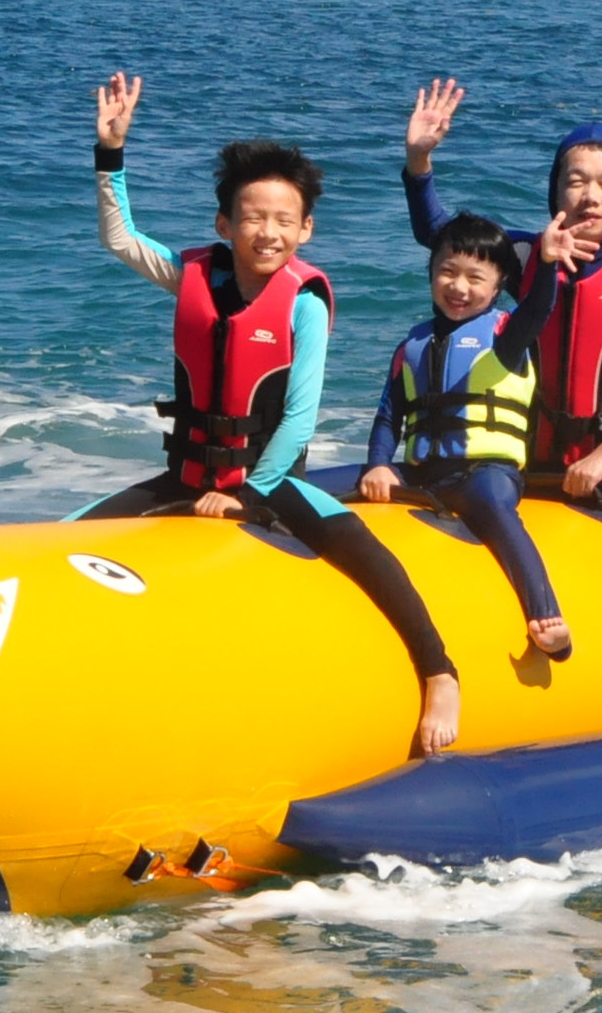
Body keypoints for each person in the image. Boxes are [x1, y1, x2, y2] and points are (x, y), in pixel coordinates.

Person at [86, 73, 460, 756]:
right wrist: (110, 154)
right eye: (253, 217)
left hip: (271, 481)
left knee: (365, 553)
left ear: (305, 228)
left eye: (285, 220)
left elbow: (299, 416)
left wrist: (248, 498)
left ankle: (440, 672)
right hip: (191, 476)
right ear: (224, 224)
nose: (268, 231)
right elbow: (122, 240)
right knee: (76, 536)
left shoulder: (303, 304)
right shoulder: (196, 274)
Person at [404, 79, 602, 722]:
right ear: (555, 189)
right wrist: (420, 163)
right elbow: (442, 235)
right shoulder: (529, 253)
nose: (590, 194)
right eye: (576, 180)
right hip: (536, 457)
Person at [358, 208, 584, 659]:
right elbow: (389, 416)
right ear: (431, 273)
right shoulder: (412, 346)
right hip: (424, 473)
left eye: (475, 278)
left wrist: (547, 262)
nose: (459, 288)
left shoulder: (505, 336)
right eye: (447, 272)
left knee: (494, 507)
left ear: (498, 285)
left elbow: (539, 308)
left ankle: (547, 613)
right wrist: (378, 465)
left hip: (486, 472)